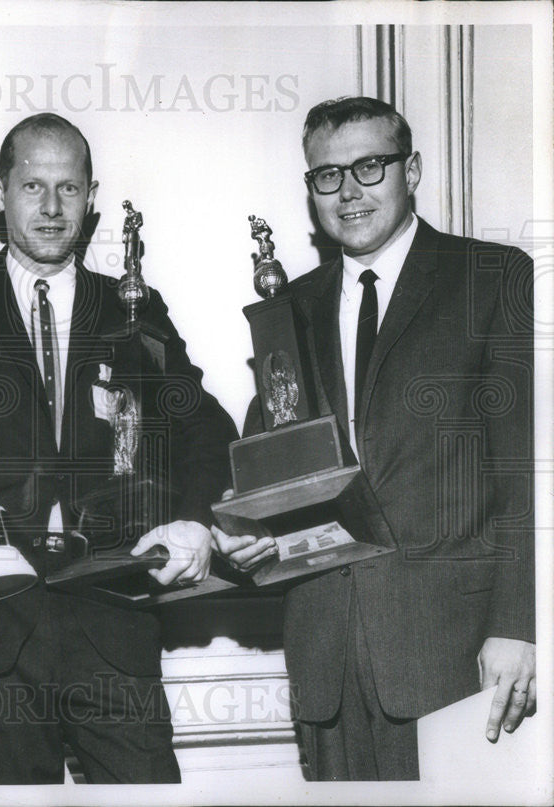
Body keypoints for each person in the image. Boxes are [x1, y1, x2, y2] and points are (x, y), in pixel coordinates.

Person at [0, 113, 238, 784]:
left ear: (91, 196)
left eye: (68, 189)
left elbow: (205, 427)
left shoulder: (134, 307)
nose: (50, 207)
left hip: (111, 629)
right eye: (32, 186)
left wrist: (194, 519)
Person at [212, 97, 536, 780]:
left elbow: (520, 467)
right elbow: (266, 469)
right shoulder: (288, 308)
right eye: (327, 175)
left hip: (455, 645)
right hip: (325, 649)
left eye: (369, 166)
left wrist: (518, 625)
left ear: (410, 169)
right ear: (311, 189)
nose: (349, 191)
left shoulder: (491, 275)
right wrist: (244, 536)